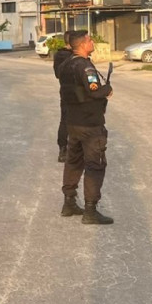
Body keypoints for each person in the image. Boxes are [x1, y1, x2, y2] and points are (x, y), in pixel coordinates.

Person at [57, 30, 113, 225]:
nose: (92, 42)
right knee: (95, 165)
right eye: (89, 40)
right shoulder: (84, 66)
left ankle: (69, 202)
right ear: (82, 44)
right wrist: (108, 90)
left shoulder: (65, 65)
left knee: (73, 162)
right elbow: (94, 91)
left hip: (73, 122)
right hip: (90, 123)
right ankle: (90, 210)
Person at [51, 31, 73, 163]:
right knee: (67, 121)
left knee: (65, 121)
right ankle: (64, 149)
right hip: (70, 93)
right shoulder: (66, 56)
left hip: (66, 91)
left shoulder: (59, 55)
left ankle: (65, 149)